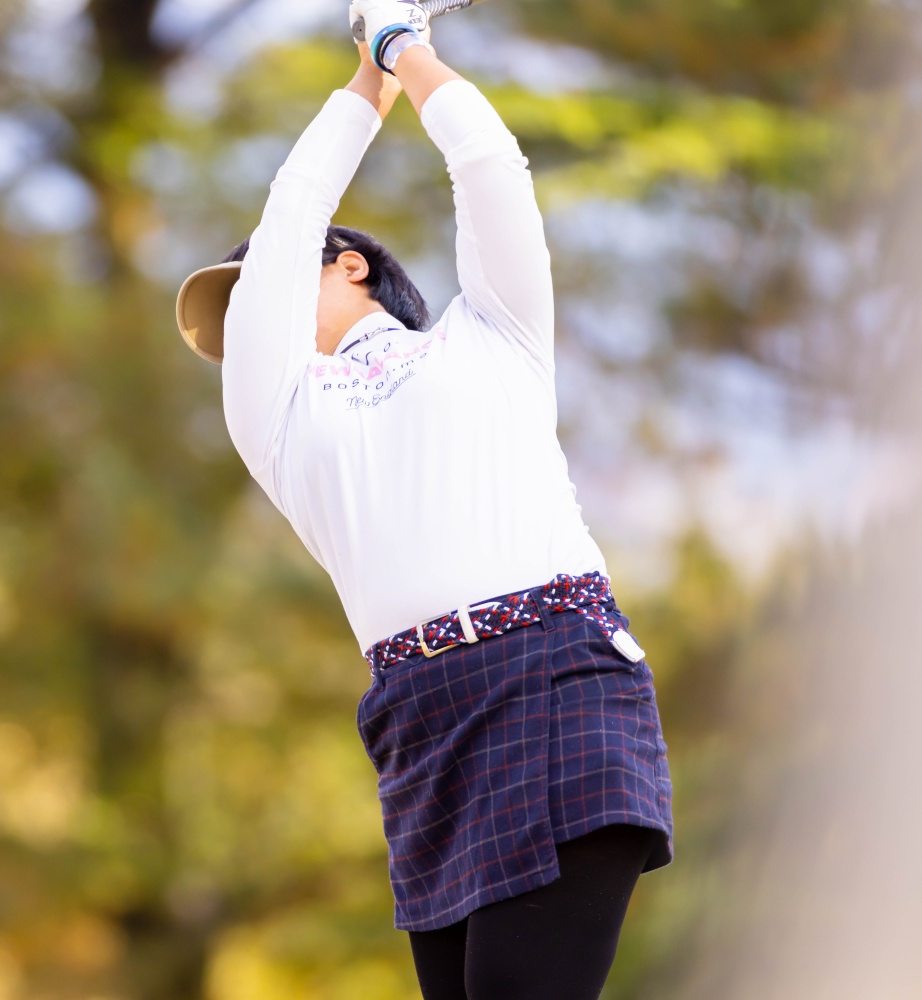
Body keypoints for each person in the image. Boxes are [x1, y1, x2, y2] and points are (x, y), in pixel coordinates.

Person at [172, 3, 675, 998]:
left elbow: (490, 169)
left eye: (258, 282)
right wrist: (369, 74)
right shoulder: (281, 421)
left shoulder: (491, 333)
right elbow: (289, 219)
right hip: (419, 721)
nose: (250, 313)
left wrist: (396, 50)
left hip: (552, 672)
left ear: (350, 264)